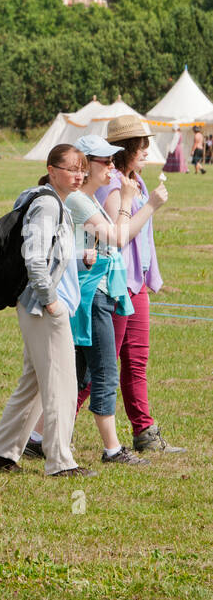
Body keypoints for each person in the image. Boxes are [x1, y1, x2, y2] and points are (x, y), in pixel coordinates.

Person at [25, 134, 168, 467]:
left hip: (94, 294)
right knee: (103, 372)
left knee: (83, 375)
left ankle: (36, 438)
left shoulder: (83, 200)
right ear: (85, 166)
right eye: (106, 162)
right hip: (92, 298)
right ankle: (112, 449)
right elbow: (118, 237)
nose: (112, 167)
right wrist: (138, 203)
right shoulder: (78, 201)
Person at [0, 143, 97, 477]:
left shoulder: (46, 201)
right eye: (71, 169)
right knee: (61, 382)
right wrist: (50, 300)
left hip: (34, 304)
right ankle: (60, 462)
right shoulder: (47, 205)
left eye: (82, 170)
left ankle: (0, 452)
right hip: (41, 307)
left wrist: (79, 254)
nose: (78, 176)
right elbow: (34, 256)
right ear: (51, 169)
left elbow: (49, 250)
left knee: (34, 381)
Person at [89, 114, 185, 454]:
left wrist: (149, 275)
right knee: (99, 367)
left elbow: (145, 240)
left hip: (136, 284)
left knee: (136, 361)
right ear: (127, 147)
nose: (147, 150)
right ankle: (42, 434)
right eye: (142, 145)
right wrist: (154, 205)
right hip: (114, 285)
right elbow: (120, 234)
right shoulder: (112, 183)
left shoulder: (136, 181)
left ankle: (144, 431)